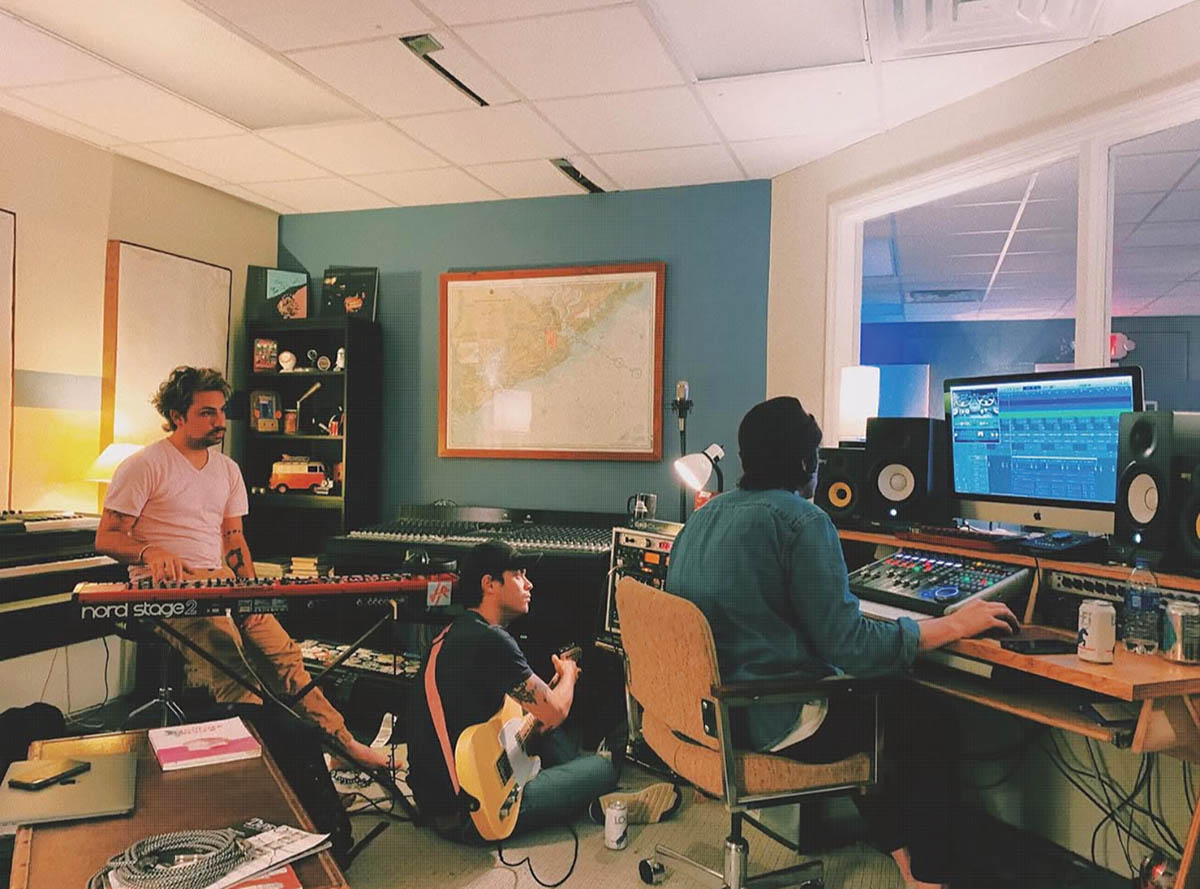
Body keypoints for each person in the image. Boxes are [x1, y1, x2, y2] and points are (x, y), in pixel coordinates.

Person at [664, 396, 1019, 889]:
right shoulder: (803, 521)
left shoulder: (704, 516)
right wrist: (953, 626)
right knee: (924, 718)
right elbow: (853, 647)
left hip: (704, 715)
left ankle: (904, 859)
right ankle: (930, 874)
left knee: (867, 702)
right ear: (806, 464)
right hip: (767, 719)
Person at [94, 365, 384, 771]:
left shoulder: (227, 470)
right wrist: (148, 552)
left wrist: (251, 594)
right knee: (233, 663)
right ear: (177, 416)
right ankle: (260, 772)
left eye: (221, 411)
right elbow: (106, 537)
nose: (220, 421)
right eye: (207, 413)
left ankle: (342, 744)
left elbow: (233, 540)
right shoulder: (144, 465)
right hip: (168, 588)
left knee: (285, 655)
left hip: (223, 581)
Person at [407, 541, 666, 843]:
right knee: (604, 765)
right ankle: (595, 797)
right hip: (475, 815)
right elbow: (556, 711)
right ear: (489, 584)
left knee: (548, 732)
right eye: (518, 575)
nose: (529, 584)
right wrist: (568, 675)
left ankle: (579, 791)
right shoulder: (492, 640)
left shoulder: (450, 635)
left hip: (436, 800)